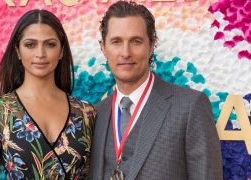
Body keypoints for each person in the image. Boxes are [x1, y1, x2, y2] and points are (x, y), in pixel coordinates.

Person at [90, 1, 223, 180]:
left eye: (136, 41)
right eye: (116, 41)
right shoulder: (96, 114)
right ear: (103, 48)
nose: (125, 52)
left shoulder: (191, 106)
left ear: (151, 45)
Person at [0, 9, 96, 179]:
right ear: (17, 50)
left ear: (61, 51)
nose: (40, 54)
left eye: (50, 44)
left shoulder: (86, 112)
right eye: (30, 44)